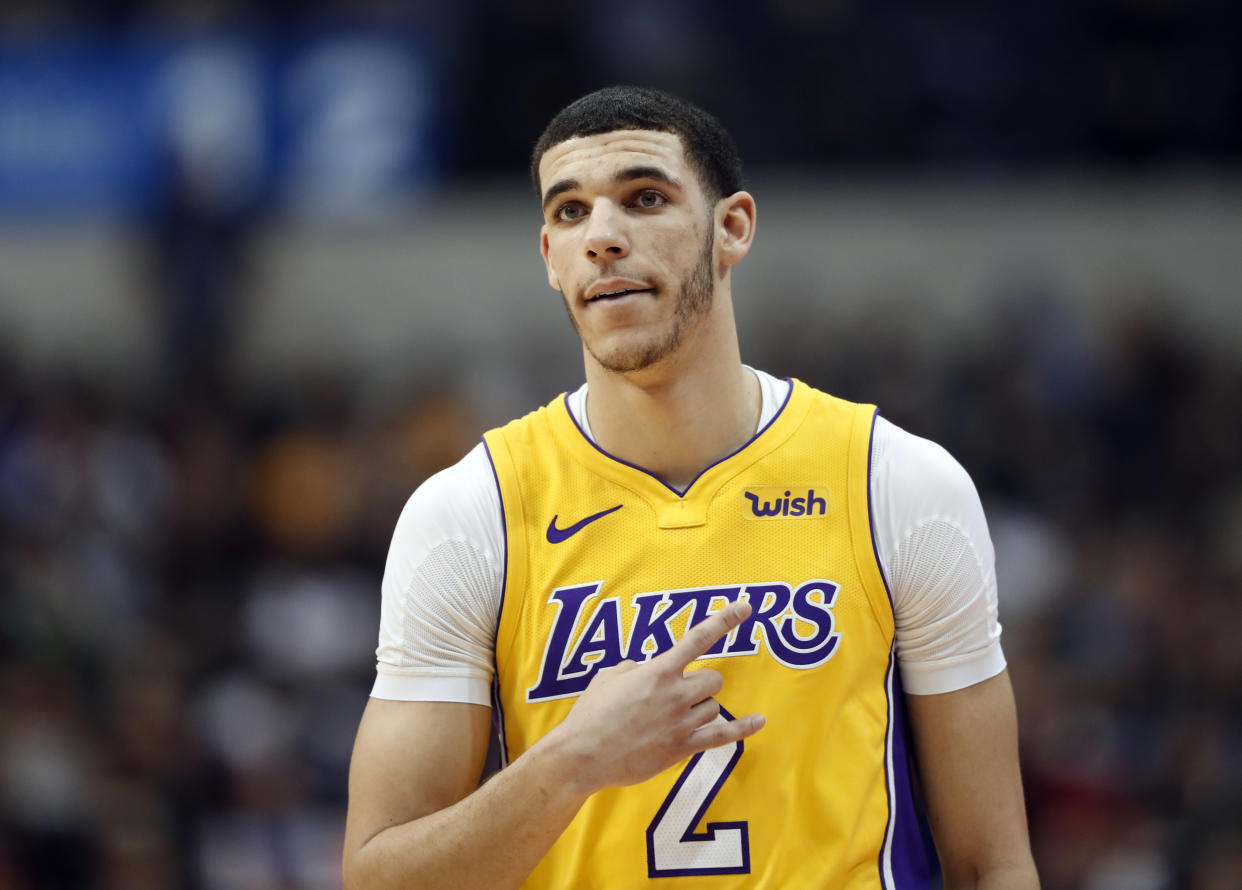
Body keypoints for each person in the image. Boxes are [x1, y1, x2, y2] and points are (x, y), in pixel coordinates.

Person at [343, 86, 1040, 889]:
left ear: (732, 227)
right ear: (548, 256)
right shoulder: (470, 515)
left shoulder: (898, 483)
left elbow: (994, 862)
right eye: (570, 213)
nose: (602, 237)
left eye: (645, 199)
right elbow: (377, 876)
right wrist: (572, 761)